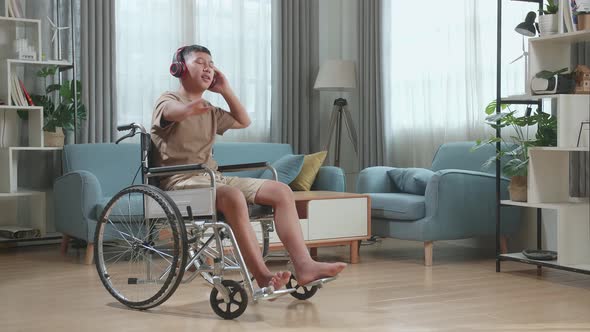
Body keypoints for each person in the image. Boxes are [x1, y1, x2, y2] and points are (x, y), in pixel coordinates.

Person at [151, 45, 346, 290]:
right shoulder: (167, 100)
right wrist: (189, 108)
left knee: (281, 191)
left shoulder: (209, 109)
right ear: (178, 69)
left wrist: (225, 89)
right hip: (178, 182)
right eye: (200, 62)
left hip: (212, 177)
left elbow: (244, 120)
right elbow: (172, 112)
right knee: (232, 196)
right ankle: (263, 277)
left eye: (211, 64)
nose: (208, 68)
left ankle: (305, 265)